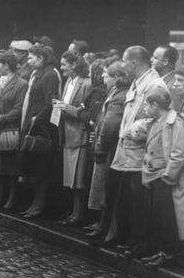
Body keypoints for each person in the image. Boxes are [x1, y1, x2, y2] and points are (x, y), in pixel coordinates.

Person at [109, 46, 168, 254]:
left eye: (125, 61)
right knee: (129, 200)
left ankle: (140, 245)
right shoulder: (137, 82)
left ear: (134, 63)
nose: (122, 66)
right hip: (128, 154)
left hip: (141, 154)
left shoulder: (155, 84)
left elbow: (158, 119)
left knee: (140, 203)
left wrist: (132, 131)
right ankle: (130, 241)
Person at [138, 88, 184, 268]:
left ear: (155, 105)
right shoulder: (157, 121)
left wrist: (168, 177)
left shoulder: (175, 122)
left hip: (166, 178)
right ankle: (161, 251)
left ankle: (169, 253)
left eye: (146, 105)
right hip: (154, 176)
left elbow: (178, 153)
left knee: (169, 218)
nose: (144, 108)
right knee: (159, 217)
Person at [86, 61, 131, 239]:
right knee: (105, 187)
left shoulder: (119, 95)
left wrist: (101, 142)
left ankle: (106, 229)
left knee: (108, 188)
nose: (103, 76)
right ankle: (102, 225)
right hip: (106, 145)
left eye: (107, 74)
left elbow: (111, 124)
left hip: (109, 148)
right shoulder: (115, 92)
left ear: (117, 77)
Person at [18, 45, 61, 219]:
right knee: (34, 166)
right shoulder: (39, 73)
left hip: (42, 127)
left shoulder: (50, 75)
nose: (28, 61)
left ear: (41, 58)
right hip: (33, 123)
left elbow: (50, 102)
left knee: (42, 167)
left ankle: (39, 204)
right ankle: (34, 203)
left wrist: (37, 119)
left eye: (31, 57)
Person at [0, 52, 28, 210]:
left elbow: (19, 108)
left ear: (7, 65)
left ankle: (11, 198)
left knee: (10, 165)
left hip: (10, 129)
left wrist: (3, 118)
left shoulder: (21, 84)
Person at [54, 51, 94, 225]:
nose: (61, 67)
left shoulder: (86, 84)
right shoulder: (68, 82)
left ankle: (78, 215)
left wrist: (65, 108)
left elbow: (86, 113)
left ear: (74, 65)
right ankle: (72, 212)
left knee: (78, 179)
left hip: (79, 135)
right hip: (67, 134)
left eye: (64, 64)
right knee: (70, 178)